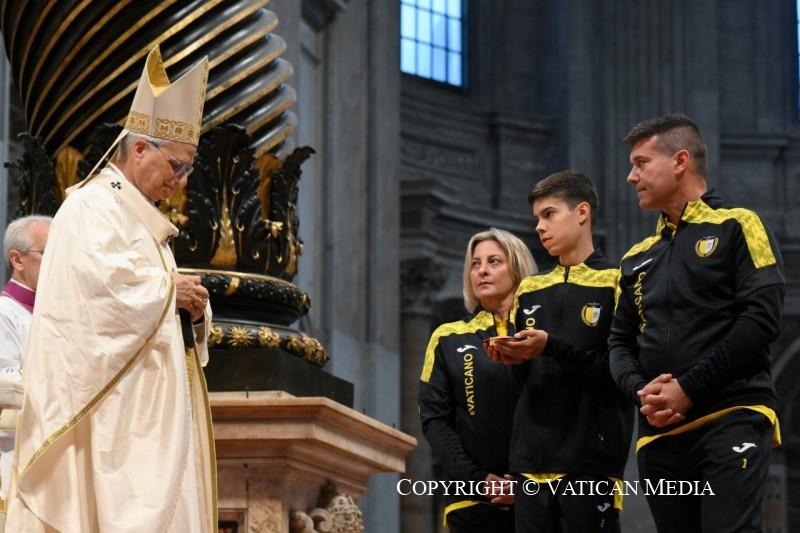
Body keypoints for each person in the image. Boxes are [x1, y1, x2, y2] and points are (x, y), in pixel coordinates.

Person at [6, 46, 217, 532]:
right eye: (177, 166)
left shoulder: (141, 219)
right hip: (115, 419)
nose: (181, 182)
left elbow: (151, 294)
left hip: (151, 412)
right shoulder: (91, 207)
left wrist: (192, 309)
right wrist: (169, 292)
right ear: (140, 149)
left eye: (188, 170)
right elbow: (96, 299)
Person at [609, 114, 784, 532]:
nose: (631, 177)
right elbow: (618, 343)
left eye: (641, 163)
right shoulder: (636, 258)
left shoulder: (739, 224)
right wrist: (641, 392)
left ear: (680, 161)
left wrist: (689, 387)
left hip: (731, 415)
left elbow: (762, 317)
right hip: (660, 434)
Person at [487, 170, 633, 532]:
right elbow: (523, 381)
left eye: (549, 214)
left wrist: (552, 347)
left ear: (582, 212)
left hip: (591, 461)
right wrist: (513, 358)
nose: (539, 226)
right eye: (537, 218)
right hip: (529, 465)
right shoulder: (530, 289)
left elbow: (620, 371)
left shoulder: (618, 281)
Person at [419, 228, 536, 532]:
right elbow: (435, 421)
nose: (482, 270)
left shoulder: (541, 335)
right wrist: (478, 480)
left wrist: (526, 482)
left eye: (494, 261)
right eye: (475, 264)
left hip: (540, 496)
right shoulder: (447, 337)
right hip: (470, 501)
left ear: (517, 268)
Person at [0, 215, 51, 505]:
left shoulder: (58, 312)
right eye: (47, 252)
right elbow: (8, 384)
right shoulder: (4, 313)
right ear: (17, 260)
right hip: (17, 447)